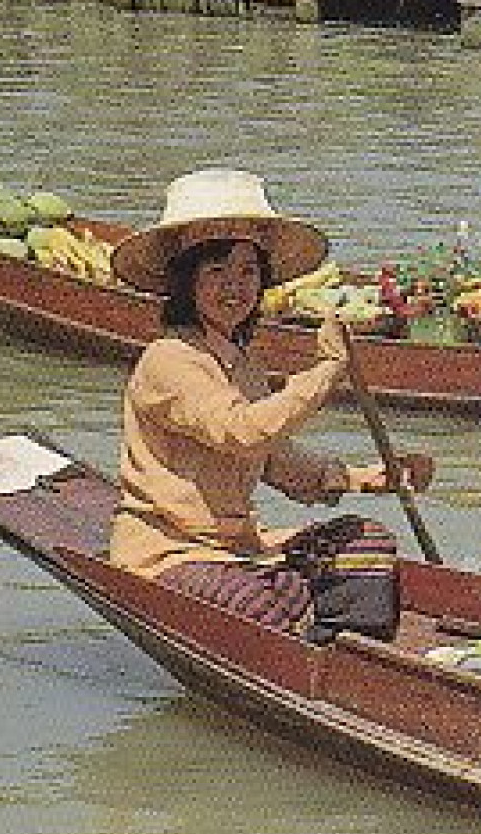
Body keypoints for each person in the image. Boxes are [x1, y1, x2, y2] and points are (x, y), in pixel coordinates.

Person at [107, 168, 432, 643]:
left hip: (243, 548)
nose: (234, 287)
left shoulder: (241, 363)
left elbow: (276, 460)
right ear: (187, 282)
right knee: (261, 603)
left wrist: (370, 478)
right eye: (216, 272)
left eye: (248, 272)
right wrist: (325, 372)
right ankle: (305, 645)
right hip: (171, 553)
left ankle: (349, 661)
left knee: (370, 545)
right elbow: (244, 432)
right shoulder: (168, 359)